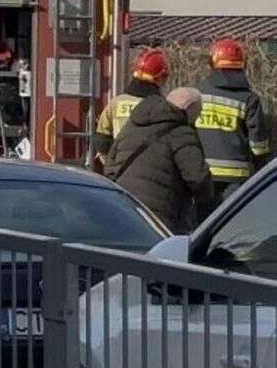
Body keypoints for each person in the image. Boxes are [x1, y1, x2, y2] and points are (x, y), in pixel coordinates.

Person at [106, 86, 215, 233]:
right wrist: (208, 205)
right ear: (190, 109)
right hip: (159, 216)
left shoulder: (132, 125)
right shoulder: (182, 133)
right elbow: (197, 177)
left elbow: (110, 164)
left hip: (123, 208)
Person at [197, 37, 273, 201]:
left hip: (201, 174)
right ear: (242, 64)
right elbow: (258, 147)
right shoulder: (249, 99)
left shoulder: (197, 94)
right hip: (236, 178)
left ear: (212, 62)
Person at [93, 47, 169, 174]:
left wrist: (111, 165)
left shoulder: (116, 103)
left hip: (118, 169)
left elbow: (101, 141)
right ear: (160, 77)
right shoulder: (162, 107)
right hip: (149, 171)